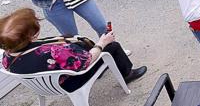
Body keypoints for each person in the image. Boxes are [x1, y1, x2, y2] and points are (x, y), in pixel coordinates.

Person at [0, 8, 146, 92]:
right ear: (31, 37)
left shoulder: (7, 56)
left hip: (43, 86)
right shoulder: (52, 52)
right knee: (112, 46)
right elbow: (85, 62)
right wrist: (102, 43)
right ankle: (128, 73)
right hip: (69, 82)